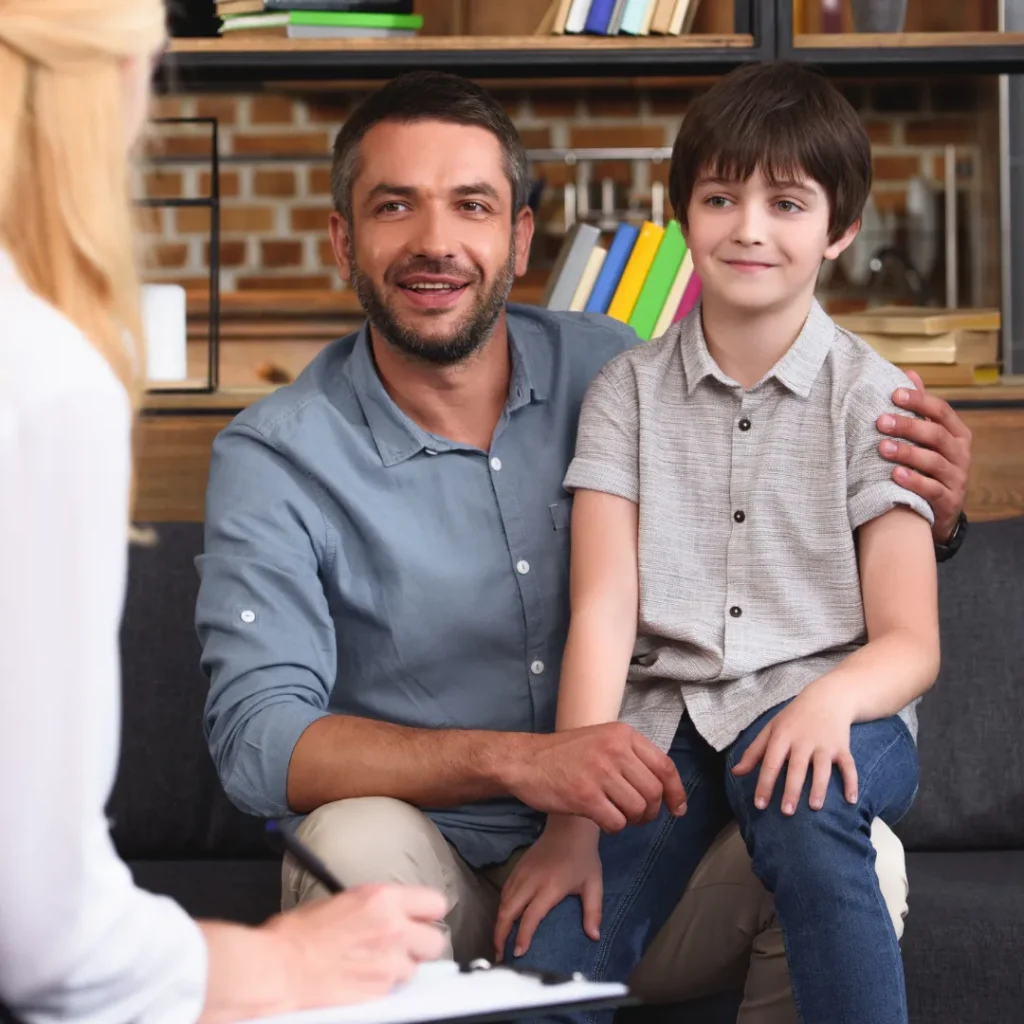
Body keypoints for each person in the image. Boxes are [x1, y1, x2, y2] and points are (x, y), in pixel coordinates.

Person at [197, 71, 972, 1022]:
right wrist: (525, 766)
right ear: (343, 238)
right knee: (350, 838)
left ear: (520, 237)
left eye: (471, 206)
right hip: (438, 867)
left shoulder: (608, 363)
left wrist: (925, 500)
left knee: (838, 824)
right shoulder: (277, 454)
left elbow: (785, 485)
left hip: (651, 833)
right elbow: (255, 744)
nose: (435, 242)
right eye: (394, 206)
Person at [0, 4, 447, 1023]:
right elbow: (43, 931)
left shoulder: (608, 387)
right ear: (110, 76)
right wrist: (281, 967)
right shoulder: (41, 376)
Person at [495, 62, 943, 1024]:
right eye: (720, 197)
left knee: (801, 795)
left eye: (787, 202)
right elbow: (605, 612)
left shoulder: (877, 399)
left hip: (836, 705)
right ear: (683, 215)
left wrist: (827, 705)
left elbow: (911, 642)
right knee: (550, 947)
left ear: (841, 230)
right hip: (667, 725)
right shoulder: (626, 392)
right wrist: (571, 822)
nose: (749, 226)